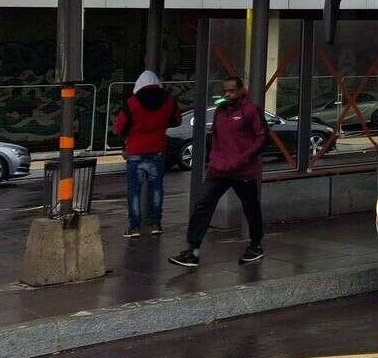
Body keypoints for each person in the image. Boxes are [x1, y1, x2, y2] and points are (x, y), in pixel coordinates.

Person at [168, 77, 268, 268]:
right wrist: (213, 159)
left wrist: (244, 157)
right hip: (219, 168)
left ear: (241, 91)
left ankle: (255, 245)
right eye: (225, 91)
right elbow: (215, 137)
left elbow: (262, 137)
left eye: (231, 91)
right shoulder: (220, 111)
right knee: (203, 205)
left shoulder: (251, 111)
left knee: (250, 207)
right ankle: (193, 250)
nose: (227, 94)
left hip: (243, 170)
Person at [112, 70, 181, 237]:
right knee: (156, 188)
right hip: (158, 150)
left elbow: (119, 127)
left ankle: (135, 227)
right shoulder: (169, 101)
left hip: (135, 151)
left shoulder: (132, 102)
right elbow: (177, 120)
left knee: (134, 190)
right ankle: (155, 224)